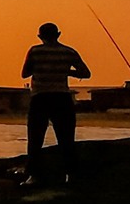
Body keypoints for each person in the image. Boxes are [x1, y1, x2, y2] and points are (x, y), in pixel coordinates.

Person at [21, 22, 90, 181]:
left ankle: (33, 175)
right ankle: (71, 174)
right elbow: (85, 73)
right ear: (58, 35)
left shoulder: (35, 51)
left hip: (40, 98)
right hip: (62, 98)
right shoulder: (68, 52)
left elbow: (25, 73)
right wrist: (67, 71)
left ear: (40, 36)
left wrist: (41, 68)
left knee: (35, 138)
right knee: (66, 139)